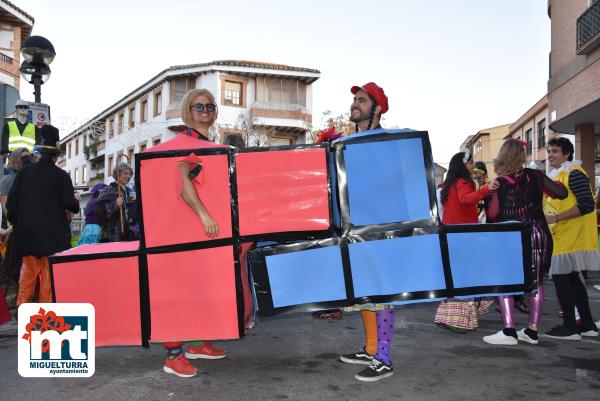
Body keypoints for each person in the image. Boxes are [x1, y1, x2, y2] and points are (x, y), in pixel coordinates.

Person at [162, 88, 226, 378]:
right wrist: (205, 215)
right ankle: (172, 355)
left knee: (200, 287)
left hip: (198, 232)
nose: (205, 110)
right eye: (199, 106)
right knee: (180, 291)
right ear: (189, 111)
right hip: (184, 230)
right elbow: (182, 181)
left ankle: (198, 343)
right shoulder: (185, 142)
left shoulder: (205, 142)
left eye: (210, 106)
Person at [338, 82, 396, 383]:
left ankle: (384, 358)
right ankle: (371, 348)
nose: (354, 104)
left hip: (381, 228)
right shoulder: (350, 142)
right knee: (364, 292)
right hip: (355, 226)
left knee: (382, 292)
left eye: (361, 100)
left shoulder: (386, 141)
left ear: (377, 108)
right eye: (354, 100)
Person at [482, 139, 567, 345]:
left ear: (503, 157)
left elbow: (493, 215)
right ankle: (532, 331)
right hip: (538, 232)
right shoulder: (536, 176)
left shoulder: (500, 183)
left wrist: (490, 194)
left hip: (511, 236)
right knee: (536, 282)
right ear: (522, 156)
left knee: (505, 280)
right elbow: (561, 193)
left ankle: (509, 331)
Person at [6, 125, 79, 307]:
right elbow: (71, 205)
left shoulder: (24, 173)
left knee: (27, 278)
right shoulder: (61, 176)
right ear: (55, 154)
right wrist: (76, 201)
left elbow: (11, 206)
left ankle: (23, 319)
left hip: (27, 238)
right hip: (52, 239)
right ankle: (44, 322)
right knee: (48, 281)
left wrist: (21, 225)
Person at [543, 137, 600, 340]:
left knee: (562, 280)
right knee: (574, 280)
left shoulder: (573, 173)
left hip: (570, 236)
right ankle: (586, 324)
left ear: (567, 154)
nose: (550, 155)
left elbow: (586, 204)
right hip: (565, 235)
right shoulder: (559, 174)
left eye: (555, 151)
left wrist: (555, 218)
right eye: (549, 151)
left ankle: (569, 326)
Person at [434, 151, 496, 332]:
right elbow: (465, 199)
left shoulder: (450, 184)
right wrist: (486, 189)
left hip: (453, 235)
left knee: (456, 277)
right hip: (463, 236)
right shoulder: (463, 182)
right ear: (463, 165)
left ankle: (450, 317)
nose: (473, 166)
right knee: (466, 276)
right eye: (470, 163)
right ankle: (459, 320)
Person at [96, 164, 138, 242]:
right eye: (125, 173)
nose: (128, 176)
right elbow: (99, 211)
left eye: (130, 174)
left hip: (129, 233)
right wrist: (115, 205)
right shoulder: (108, 190)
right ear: (117, 174)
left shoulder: (129, 191)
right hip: (112, 234)